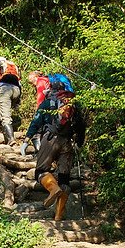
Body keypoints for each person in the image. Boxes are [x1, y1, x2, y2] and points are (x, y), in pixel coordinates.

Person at [21, 74, 85, 221]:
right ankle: (58, 216)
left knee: (41, 172)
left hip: (50, 139)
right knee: (64, 180)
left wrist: (26, 140)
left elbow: (36, 122)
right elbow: (81, 125)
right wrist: (79, 143)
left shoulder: (48, 102)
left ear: (52, 88)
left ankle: (53, 189)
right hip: (67, 143)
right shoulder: (73, 104)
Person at [0, 57, 22, 146]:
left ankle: (11, 139)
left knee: (6, 116)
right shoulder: (13, 69)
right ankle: (9, 123)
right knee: (7, 111)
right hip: (17, 90)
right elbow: (19, 83)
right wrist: (18, 101)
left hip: (5, 90)